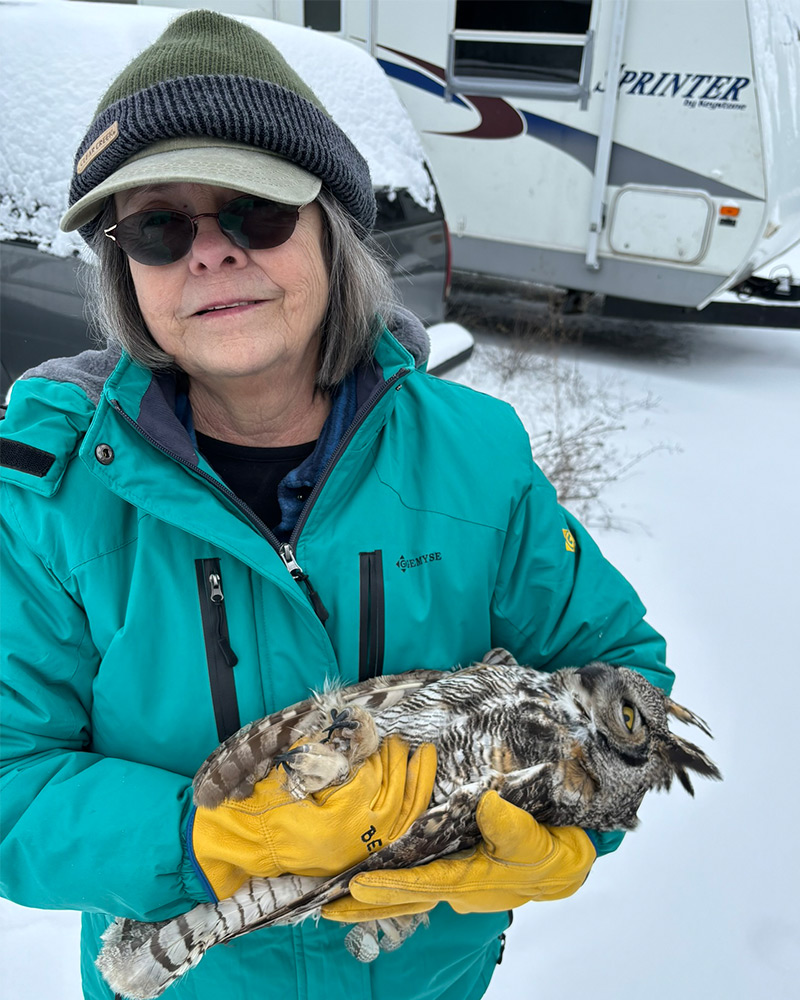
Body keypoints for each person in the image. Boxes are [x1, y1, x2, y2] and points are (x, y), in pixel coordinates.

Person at [0, 10, 671, 1000]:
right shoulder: (55, 499)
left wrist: (572, 810)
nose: (211, 254)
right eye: (157, 225)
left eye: (255, 212)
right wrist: (202, 833)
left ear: (332, 229)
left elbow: (626, 691)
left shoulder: (474, 460)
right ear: (122, 268)